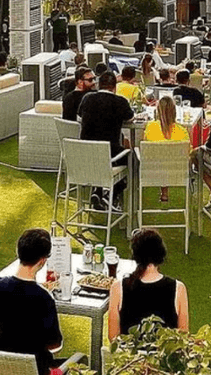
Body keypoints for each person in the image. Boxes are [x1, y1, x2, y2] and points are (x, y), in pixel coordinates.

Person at [0, 229, 65, 375]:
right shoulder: (44, 298)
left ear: (18, 252)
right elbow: (55, 346)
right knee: (82, 360)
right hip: (37, 368)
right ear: (43, 260)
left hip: (2, 366)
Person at [107, 228, 189, 339]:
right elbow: (183, 337)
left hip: (129, 355)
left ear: (135, 255)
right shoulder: (179, 288)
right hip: (164, 356)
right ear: (161, 253)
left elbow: (113, 338)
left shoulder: (117, 288)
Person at [78, 71, 135, 211]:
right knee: (132, 159)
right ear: (114, 87)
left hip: (84, 154)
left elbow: (79, 117)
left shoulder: (87, 98)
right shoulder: (120, 102)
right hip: (109, 154)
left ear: (98, 85)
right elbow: (130, 118)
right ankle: (112, 193)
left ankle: (97, 191)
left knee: (101, 149)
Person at [144, 96, 190, 202]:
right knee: (168, 160)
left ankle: (164, 193)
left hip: (152, 171)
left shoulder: (150, 127)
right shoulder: (182, 131)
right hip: (177, 171)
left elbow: (147, 148)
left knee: (161, 159)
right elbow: (188, 152)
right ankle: (165, 193)